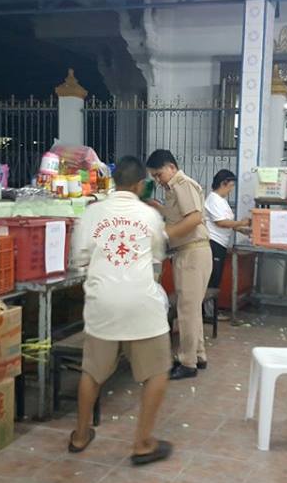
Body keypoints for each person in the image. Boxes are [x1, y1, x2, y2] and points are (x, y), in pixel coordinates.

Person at [68, 156, 173, 466]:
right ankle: (142, 442)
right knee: (156, 371)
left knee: (92, 372)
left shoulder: (91, 213)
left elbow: (79, 260)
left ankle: (80, 435)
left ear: (115, 182)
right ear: (140, 185)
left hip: (103, 304)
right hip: (142, 304)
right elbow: (157, 256)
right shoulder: (149, 215)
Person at [145, 149, 212, 380]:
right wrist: (157, 207)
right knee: (192, 308)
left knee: (186, 310)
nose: (158, 180)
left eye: (159, 174)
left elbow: (194, 218)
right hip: (190, 252)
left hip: (192, 252)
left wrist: (165, 234)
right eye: (154, 176)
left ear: (171, 167)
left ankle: (187, 362)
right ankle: (198, 355)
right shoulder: (173, 188)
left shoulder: (182, 184)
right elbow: (179, 215)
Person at [204, 170, 251, 310]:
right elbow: (221, 222)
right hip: (213, 243)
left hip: (221, 244)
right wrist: (241, 223)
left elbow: (228, 222)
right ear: (223, 183)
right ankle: (208, 313)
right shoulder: (213, 199)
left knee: (216, 278)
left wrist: (242, 229)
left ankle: (211, 312)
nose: (231, 189)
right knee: (212, 279)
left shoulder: (222, 200)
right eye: (230, 186)